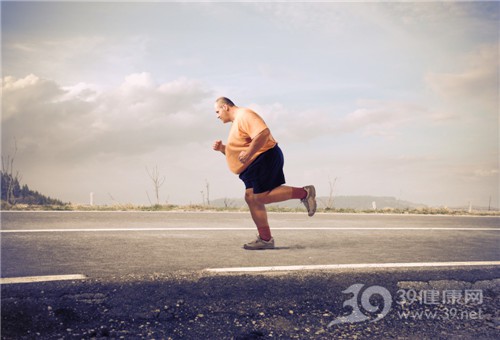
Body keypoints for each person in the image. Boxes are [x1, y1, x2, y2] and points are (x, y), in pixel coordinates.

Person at [212, 97, 316, 250]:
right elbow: (241, 149)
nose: (217, 115)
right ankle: (265, 239)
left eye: (217, 111)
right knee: (251, 198)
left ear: (226, 107)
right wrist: (223, 149)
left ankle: (305, 193)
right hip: (253, 163)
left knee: (259, 197)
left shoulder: (244, 115)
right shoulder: (236, 123)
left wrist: (249, 152)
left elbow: (263, 134)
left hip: (264, 157)